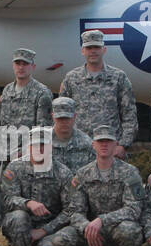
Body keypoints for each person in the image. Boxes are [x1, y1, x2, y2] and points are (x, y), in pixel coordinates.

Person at [39, 125, 146, 246]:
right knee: (60, 240)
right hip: (93, 232)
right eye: (100, 141)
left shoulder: (130, 173)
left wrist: (102, 220)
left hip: (118, 228)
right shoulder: (82, 174)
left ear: (116, 145)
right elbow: (75, 211)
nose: (104, 145)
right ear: (93, 145)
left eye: (108, 141)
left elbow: (133, 209)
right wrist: (86, 226)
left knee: (130, 230)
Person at [0, 127, 74, 246]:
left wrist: (44, 231)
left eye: (43, 145)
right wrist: (28, 203)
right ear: (28, 147)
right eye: (35, 145)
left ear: (51, 147)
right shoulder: (14, 168)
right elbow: (7, 199)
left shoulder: (63, 172)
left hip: (49, 229)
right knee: (18, 217)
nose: (39, 149)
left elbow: (69, 210)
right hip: (21, 225)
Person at [58, 29, 138, 158]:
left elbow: (129, 114)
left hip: (110, 149)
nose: (93, 51)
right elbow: (61, 115)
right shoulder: (71, 78)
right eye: (89, 48)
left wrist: (123, 145)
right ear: (83, 50)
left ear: (104, 49)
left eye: (96, 47)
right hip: (78, 150)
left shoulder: (118, 77)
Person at [0, 47, 54, 164]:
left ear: (33, 67)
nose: (21, 67)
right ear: (13, 65)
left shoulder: (42, 92)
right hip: (7, 156)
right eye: (18, 63)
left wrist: (25, 151)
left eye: (25, 64)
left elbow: (43, 129)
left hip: (30, 157)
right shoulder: (7, 90)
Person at [50, 97, 94, 173]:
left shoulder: (87, 143)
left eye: (67, 118)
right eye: (60, 118)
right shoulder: (42, 143)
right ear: (53, 116)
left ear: (74, 117)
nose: (64, 122)